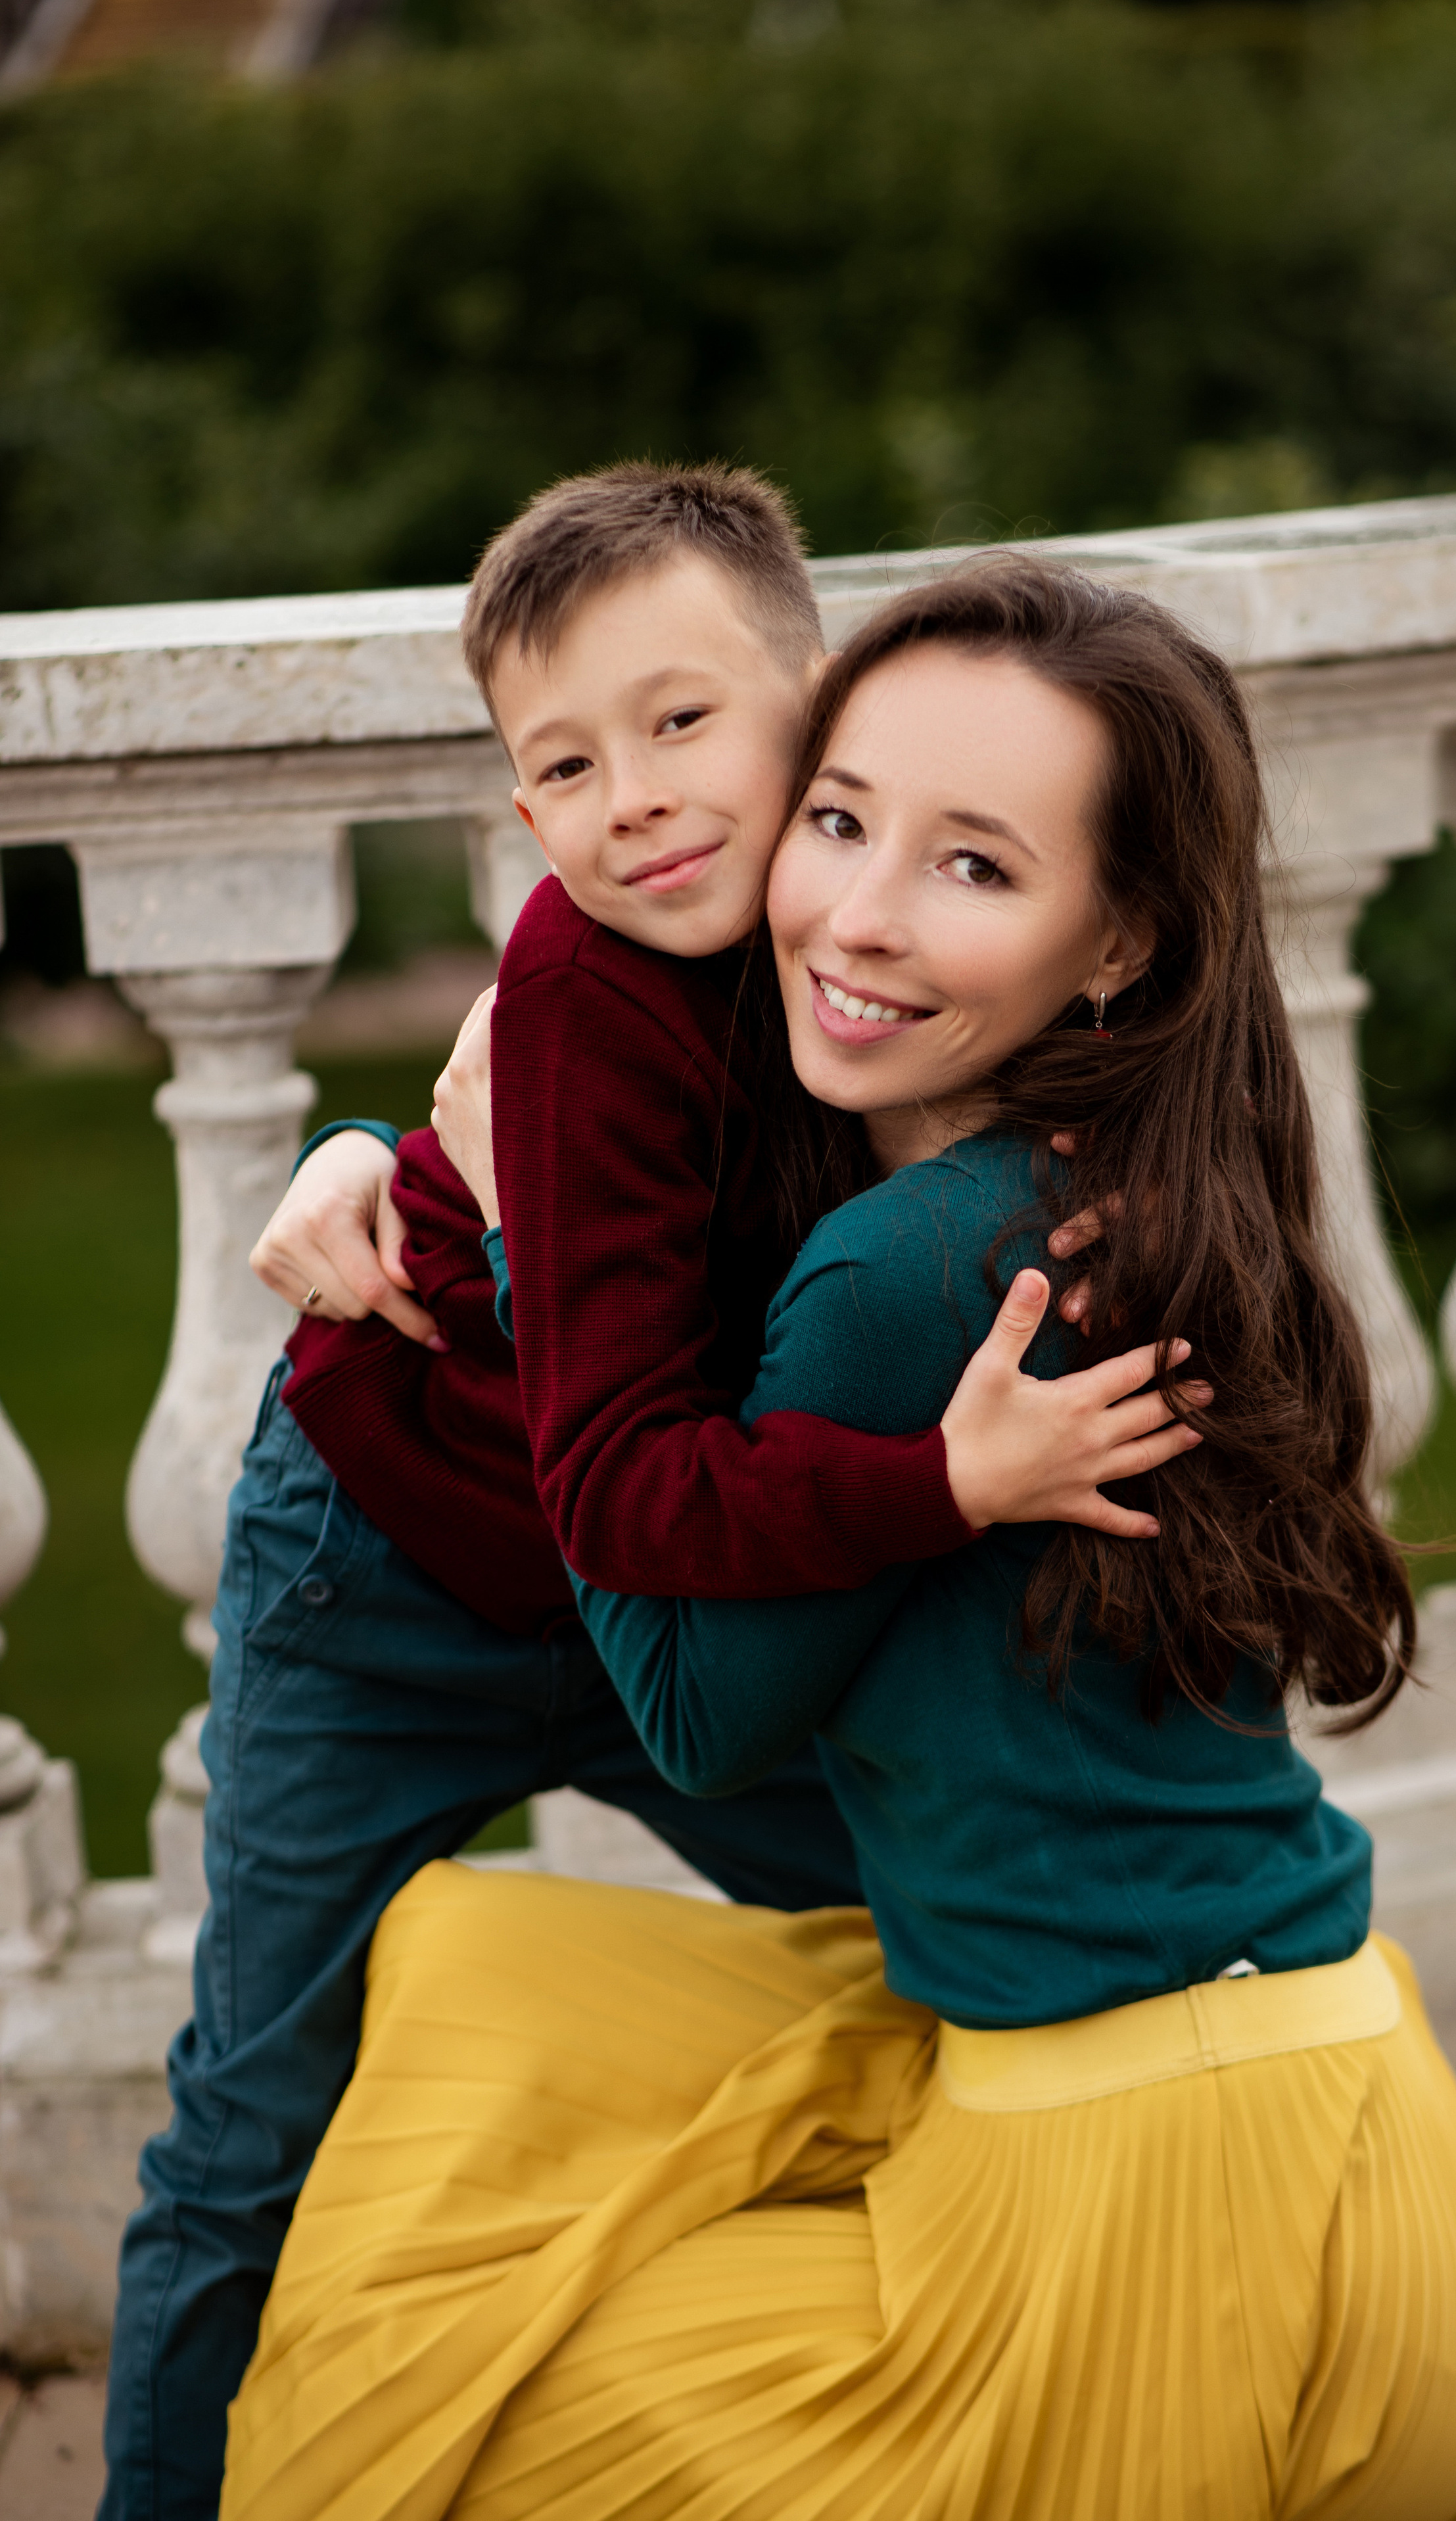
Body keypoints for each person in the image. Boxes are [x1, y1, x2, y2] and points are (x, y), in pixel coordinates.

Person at [221, 556, 1456, 2521]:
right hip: (1367, 2142)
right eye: (840, 820)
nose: (856, 910)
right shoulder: (1158, 1186)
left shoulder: (903, 1276)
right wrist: (378, 1160)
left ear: (1114, 942)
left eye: (975, 867)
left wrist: (516, 1230)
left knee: (430, 2399)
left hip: (1134, 2225)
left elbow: (686, 1711)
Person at [100, 469, 1192, 2521]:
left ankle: (905, 2395)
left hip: (669, 1595)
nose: (637, 799)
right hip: (394, 1570)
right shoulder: (591, 996)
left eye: (688, 723)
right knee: (253, 2125)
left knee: (944, 1920)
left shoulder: (858, 937)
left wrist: (364, 1132)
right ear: (525, 818)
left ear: (822, 710)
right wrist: (949, 1480)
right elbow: (624, 1473)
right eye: (568, 765)